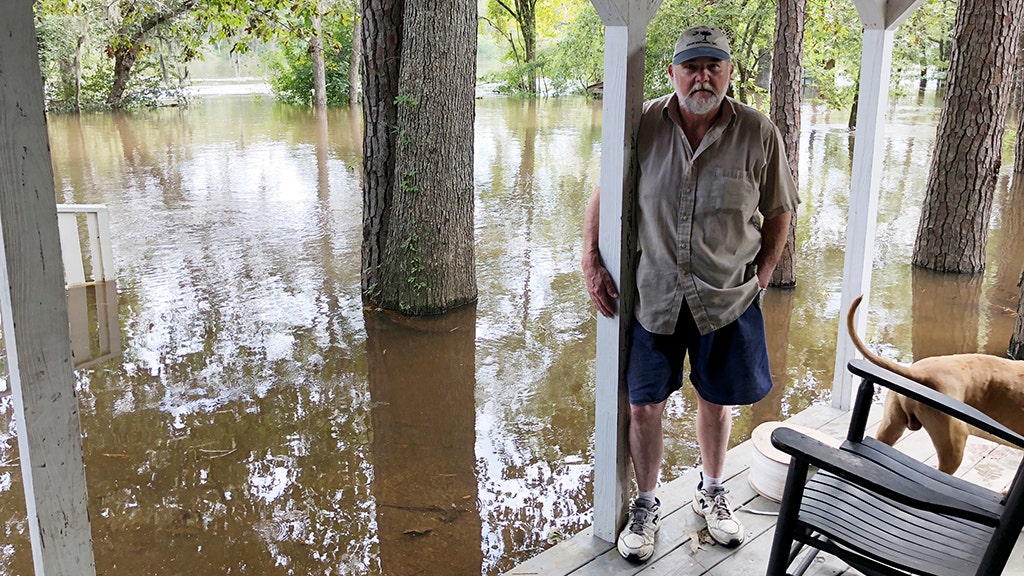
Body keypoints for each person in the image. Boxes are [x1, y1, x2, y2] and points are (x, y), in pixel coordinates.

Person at [581, 25, 799, 563]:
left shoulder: (758, 131)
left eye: (713, 66)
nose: (702, 76)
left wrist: (765, 273)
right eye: (691, 66)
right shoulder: (643, 125)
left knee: (716, 401)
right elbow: (606, 190)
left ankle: (712, 491)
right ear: (673, 72)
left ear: (729, 72)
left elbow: (780, 210)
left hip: (725, 296)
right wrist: (590, 257)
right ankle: (647, 504)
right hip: (653, 293)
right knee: (643, 406)